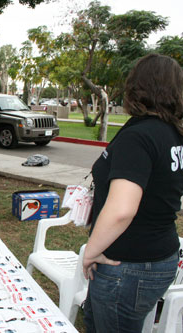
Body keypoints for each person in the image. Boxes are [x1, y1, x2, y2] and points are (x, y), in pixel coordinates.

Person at [82, 53, 183, 332]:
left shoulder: (141, 136)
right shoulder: (171, 131)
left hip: (128, 264)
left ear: (136, 85)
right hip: (157, 255)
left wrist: (91, 251)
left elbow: (122, 209)